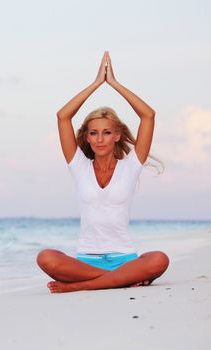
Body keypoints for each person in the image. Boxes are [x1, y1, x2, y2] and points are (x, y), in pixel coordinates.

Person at [37, 51, 169, 293]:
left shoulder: (131, 165)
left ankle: (80, 287)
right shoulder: (79, 166)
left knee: (159, 259)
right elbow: (62, 116)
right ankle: (118, 280)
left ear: (117, 135)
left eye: (107, 132)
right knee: (46, 257)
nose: (100, 139)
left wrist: (114, 84)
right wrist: (97, 83)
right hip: (86, 261)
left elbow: (148, 115)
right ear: (86, 137)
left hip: (125, 258)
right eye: (93, 132)